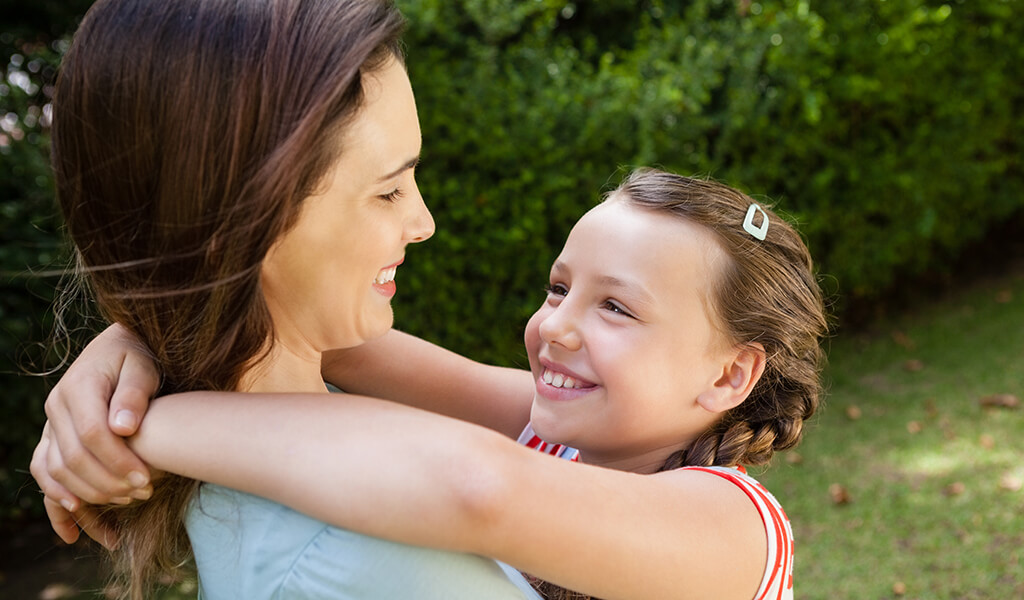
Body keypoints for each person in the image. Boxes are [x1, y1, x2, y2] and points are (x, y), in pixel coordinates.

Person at [35, 165, 829, 599]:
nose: (554, 326)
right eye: (559, 289)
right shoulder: (553, 426)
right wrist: (128, 344)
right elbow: (327, 335)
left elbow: (476, 489)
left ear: (730, 373)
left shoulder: (735, 525)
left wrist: (149, 430)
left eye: (615, 307)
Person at [31, 0, 541, 598]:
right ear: (248, 225)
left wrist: (137, 337)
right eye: (388, 192)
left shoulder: (311, 426)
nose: (424, 222)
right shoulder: (357, 559)